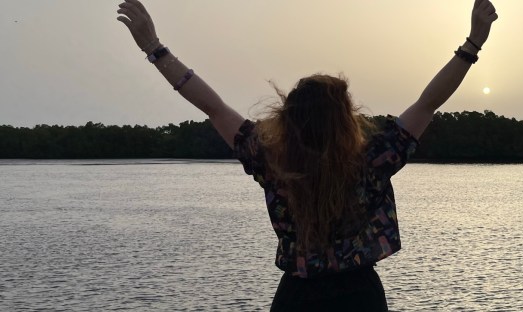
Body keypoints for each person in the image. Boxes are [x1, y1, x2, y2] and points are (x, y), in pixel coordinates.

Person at [116, 0, 497, 310]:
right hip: (359, 298)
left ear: (288, 117)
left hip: (297, 298)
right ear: (345, 121)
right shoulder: (373, 160)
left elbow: (212, 106)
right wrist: (473, 44)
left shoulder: (270, 160)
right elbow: (429, 103)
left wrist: (154, 47)